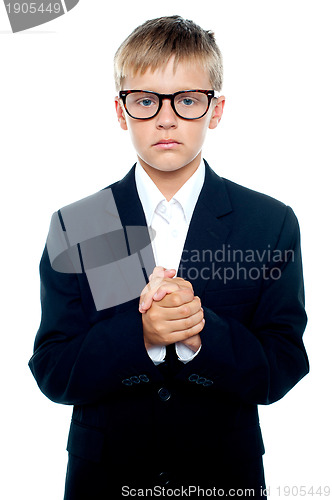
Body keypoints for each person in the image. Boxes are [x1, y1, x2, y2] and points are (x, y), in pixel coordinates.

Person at [29, 15, 309, 499]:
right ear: (121, 111)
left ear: (214, 110)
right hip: (105, 480)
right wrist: (141, 333)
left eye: (186, 100)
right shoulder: (82, 224)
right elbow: (54, 370)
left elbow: (283, 364)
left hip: (225, 478)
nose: (165, 118)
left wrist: (201, 331)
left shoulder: (269, 222)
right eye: (145, 100)